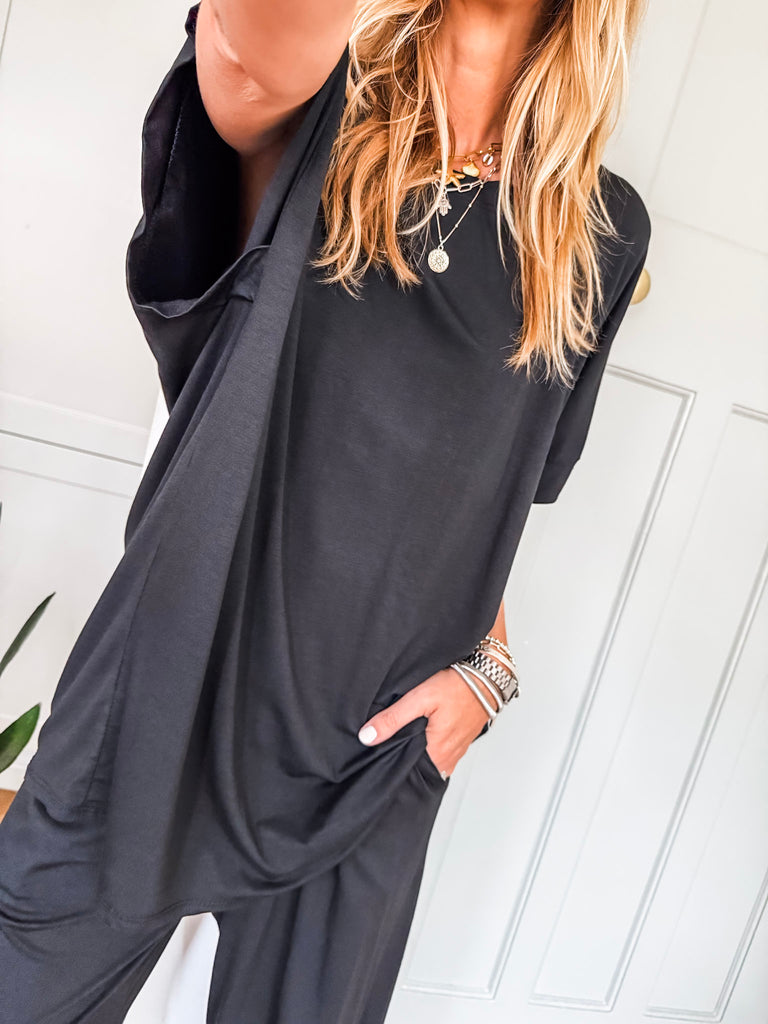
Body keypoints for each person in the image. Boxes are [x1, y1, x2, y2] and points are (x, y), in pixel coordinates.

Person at [0, 0, 651, 1020]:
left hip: (377, 750)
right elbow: (248, 59)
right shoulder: (313, 111)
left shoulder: (600, 233)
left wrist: (487, 672)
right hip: (168, 686)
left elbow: (489, 496)